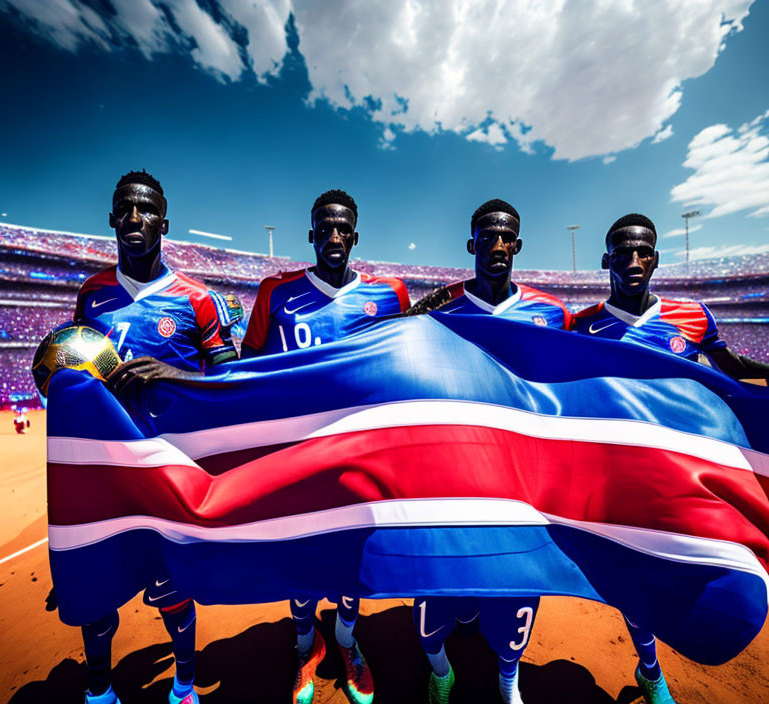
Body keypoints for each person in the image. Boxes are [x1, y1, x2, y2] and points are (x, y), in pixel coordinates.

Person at [571, 213, 769, 704]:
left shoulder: (694, 316)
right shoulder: (583, 325)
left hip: (678, 473)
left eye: (643, 252)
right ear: (605, 260)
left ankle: (666, 655)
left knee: (674, 570)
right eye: (621, 252)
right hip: (616, 475)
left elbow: (736, 372)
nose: (632, 261)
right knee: (628, 575)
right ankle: (652, 670)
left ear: (655, 259)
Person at [69, 170, 240, 704]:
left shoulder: (197, 299)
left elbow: (232, 382)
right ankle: (99, 692)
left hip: (170, 470)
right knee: (96, 586)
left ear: (164, 222)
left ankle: (184, 685)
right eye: (124, 209)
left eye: (145, 210)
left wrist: (174, 375)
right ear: (112, 219)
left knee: (172, 588)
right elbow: (73, 373)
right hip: (102, 470)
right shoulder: (91, 296)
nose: (134, 218)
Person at [242, 189, 409, 704]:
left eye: (343, 228)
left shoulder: (390, 296)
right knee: (299, 561)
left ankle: (345, 641)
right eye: (324, 227)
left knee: (354, 560)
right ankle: (302, 645)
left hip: (360, 460)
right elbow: (245, 371)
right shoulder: (276, 293)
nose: (333, 236)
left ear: (354, 236)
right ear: (311, 234)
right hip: (296, 461)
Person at [409, 199, 569, 704]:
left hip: (520, 484)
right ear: (471, 244)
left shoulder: (551, 314)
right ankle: (441, 672)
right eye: (487, 236)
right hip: (452, 477)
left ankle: (508, 681)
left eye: (506, 237)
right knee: (433, 587)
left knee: (517, 585)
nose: (496, 245)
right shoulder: (442, 312)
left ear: (517, 245)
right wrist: (418, 311)